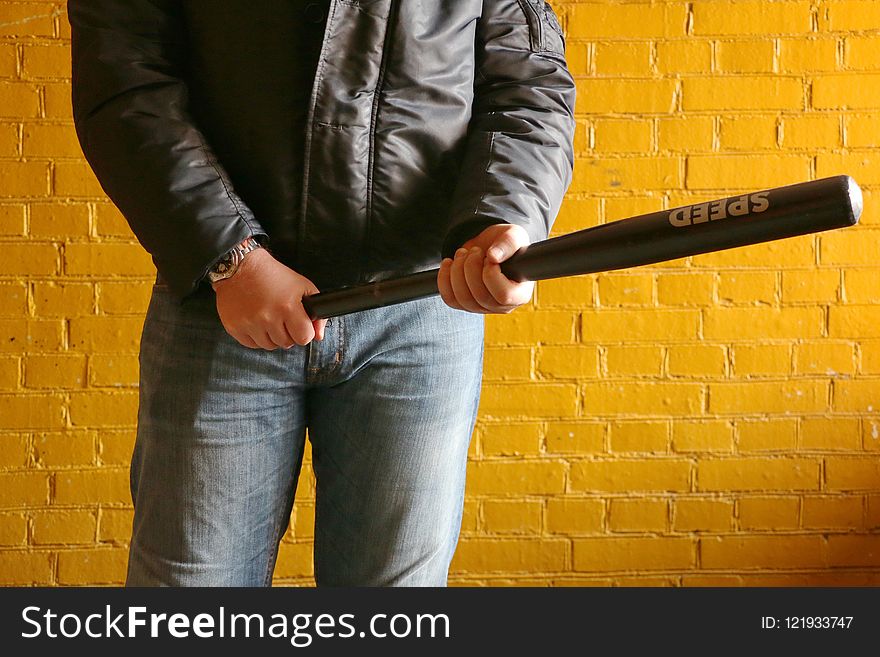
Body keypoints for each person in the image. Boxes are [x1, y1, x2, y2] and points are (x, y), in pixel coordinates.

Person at [68, 0, 575, 586]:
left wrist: (504, 215)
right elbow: (127, 80)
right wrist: (233, 256)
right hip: (226, 307)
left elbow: (529, 86)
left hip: (418, 311)